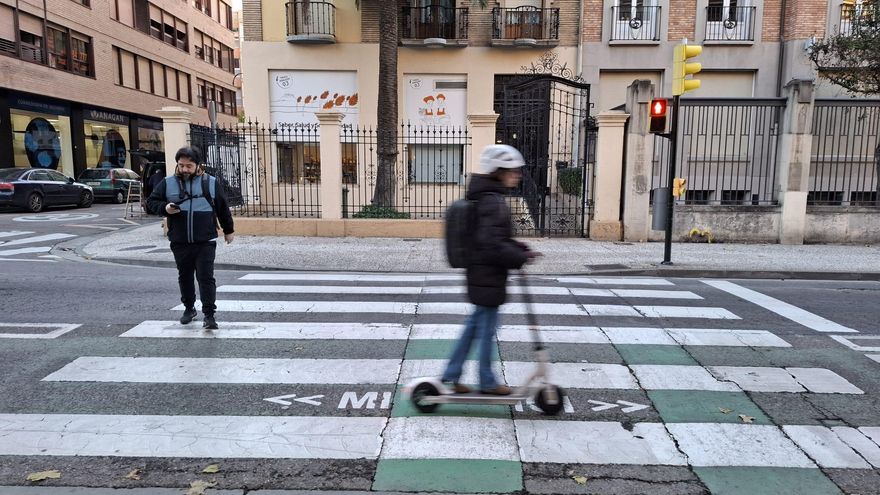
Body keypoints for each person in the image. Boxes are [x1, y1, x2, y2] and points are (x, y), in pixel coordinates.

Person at [441, 144, 538, 395]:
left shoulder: (485, 198)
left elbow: (493, 237)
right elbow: (491, 244)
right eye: (512, 170)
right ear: (498, 171)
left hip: (482, 275)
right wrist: (518, 256)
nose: (517, 175)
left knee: (474, 328)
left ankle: (450, 375)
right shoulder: (492, 202)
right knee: (485, 333)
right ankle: (487, 381)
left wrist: (519, 247)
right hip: (487, 276)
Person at [147, 146, 235, 330]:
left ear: (198, 165)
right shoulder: (167, 182)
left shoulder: (210, 182)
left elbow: (222, 207)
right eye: (181, 165)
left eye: (189, 165)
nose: (185, 169)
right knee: (185, 276)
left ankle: (209, 315)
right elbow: (151, 202)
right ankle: (189, 308)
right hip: (179, 240)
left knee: (206, 277)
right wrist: (165, 208)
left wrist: (228, 229)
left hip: (205, 240)